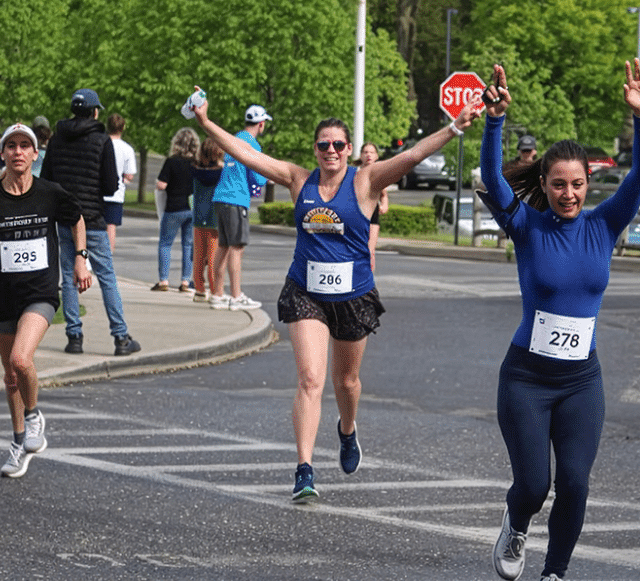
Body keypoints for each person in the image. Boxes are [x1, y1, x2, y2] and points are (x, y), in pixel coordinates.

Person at [192, 93, 484, 503]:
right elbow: (244, 152)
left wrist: (454, 127)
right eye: (323, 144)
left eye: (338, 145)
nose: (331, 151)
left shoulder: (365, 181)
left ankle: (347, 430)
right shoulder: (298, 179)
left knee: (346, 381)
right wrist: (206, 123)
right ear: (315, 149)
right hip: (306, 291)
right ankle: (304, 471)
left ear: (349, 150)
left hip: (353, 296)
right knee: (310, 379)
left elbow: (415, 155)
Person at [479, 60, 640, 581]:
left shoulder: (604, 225)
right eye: (559, 184)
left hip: (582, 380)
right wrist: (495, 121)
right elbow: (492, 178)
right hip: (527, 379)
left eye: (578, 184)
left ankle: (554, 578)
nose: (569, 193)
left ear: (587, 184)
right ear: (546, 186)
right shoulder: (526, 226)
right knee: (534, 485)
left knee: (575, 484)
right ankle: (515, 521)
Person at [0, 123, 92, 478]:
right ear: (3, 153)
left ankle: (33, 417)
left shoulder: (49, 193)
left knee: (20, 359)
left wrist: (80, 256)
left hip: (40, 293)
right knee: (10, 376)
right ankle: (18, 442)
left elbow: (77, 219)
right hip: (1, 296)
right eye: (10, 145)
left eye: (24, 145)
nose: (17, 152)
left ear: (34, 153)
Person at [43, 87, 139, 357]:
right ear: (95, 112)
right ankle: (120, 337)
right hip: (93, 219)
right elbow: (110, 186)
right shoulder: (102, 141)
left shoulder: (57, 138)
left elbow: (48, 178)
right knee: (107, 277)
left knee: (68, 277)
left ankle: (74, 336)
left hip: (64, 219)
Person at [207, 105, 270, 311]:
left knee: (223, 246)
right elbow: (259, 175)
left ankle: (216, 293)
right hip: (236, 198)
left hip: (221, 196)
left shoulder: (233, 139)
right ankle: (236, 296)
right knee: (237, 247)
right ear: (261, 124)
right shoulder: (252, 144)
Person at [154, 127, 199, 293]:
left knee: (165, 244)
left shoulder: (171, 161)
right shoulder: (197, 163)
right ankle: (185, 282)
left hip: (174, 207)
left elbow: (161, 185)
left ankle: (164, 281)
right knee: (188, 245)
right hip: (192, 208)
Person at [190, 140, 224, 303]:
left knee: (198, 255)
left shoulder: (195, 171)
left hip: (198, 217)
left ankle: (199, 289)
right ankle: (215, 289)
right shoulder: (222, 172)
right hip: (214, 218)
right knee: (213, 257)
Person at [106, 113, 136, 248]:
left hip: (98, 191)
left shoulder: (101, 144)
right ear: (123, 127)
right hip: (116, 193)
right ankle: (108, 256)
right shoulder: (127, 149)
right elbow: (130, 175)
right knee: (111, 227)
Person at [358, 142, 388, 271]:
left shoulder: (379, 173)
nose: (368, 155)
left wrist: (385, 205)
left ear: (376, 156)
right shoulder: (354, 173)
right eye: (365, 152)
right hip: (356, 214)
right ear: (360, 156)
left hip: (372, 215)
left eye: (371, 152)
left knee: (370, 251)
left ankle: (368, 283)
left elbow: (383, 195)